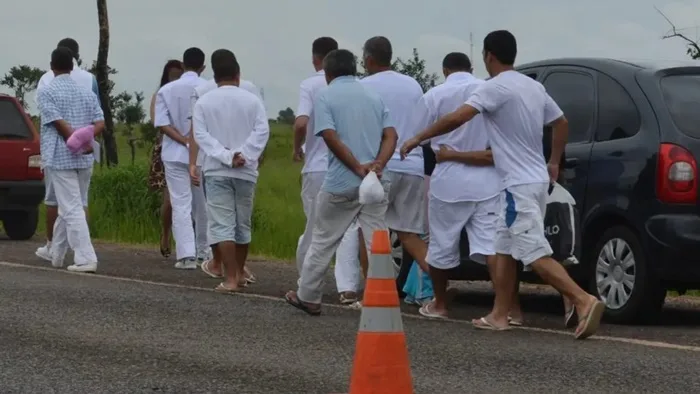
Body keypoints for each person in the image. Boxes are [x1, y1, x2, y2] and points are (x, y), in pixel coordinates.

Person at [400, 30, 604, 339]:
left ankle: (583, 300)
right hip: (532, 180)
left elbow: (458, 118)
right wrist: (553, 161)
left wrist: (419, 137)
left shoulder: (494, 88)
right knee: (503, 249)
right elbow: (560, 122)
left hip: (516, 186)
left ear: (488, 56)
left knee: (533, 252)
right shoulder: (533, 86)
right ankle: (499, 314)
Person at [285, 49, 398, 315]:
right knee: (377, 241)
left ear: (327, 73)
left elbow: (329, 136)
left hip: (341, 182)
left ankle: (309, 296)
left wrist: (357, 167)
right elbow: (391, 135)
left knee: (323, 240)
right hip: (377, 180)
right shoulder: (373, 96)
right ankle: (382, 299)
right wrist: (378, 164)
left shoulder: (326, 95)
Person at [408, 52, 501, 320]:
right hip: (486, 177)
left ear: (445, 70)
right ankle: (503, 308)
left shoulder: (434, 96)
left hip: (449, 178)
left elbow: (420, 136)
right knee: (490, 247)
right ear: (471, 68)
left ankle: (439, 303)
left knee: (442, 244)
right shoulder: (488, 90)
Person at [292, 36, 363, 305]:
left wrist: (296, 148)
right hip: (350, 165)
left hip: (318, 166)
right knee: (347, 229)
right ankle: (347, 288)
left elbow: (301, 123)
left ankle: (306, 283)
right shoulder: (358, 87)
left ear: (316, 58)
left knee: (315, 229)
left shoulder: (310, 84)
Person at [192, 49, 270, 293]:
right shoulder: (253, 100)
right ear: (238, 74)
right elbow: (262, 131)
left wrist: (226, 156)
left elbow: (200, 135)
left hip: (217, 169)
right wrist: (244, 155)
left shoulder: (204, 101)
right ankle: (240, 271)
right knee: (242, 224)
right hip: (245, 171)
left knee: (222, 224)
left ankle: (231, 278)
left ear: (215, 77)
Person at [359, 37, 429, 274]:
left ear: (368, 59)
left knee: (370, 230)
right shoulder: (413, 85)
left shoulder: (364, 85)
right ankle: (437, 286)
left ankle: (373, 289)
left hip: (380, 167)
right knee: (408, 233)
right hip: (413, 165)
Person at [36, 47, 103, 272]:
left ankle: (86, 257)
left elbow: (58, 123)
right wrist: (87, 138)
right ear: (73, 66)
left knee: (71, 207)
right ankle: (57, 253)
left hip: (60, 157)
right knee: (72, 205)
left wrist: (75, 138)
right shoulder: (86, 92)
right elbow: (100, 122)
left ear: (52, 66)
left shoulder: (47, 91)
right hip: (85, 159)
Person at [154, 47, 208, 270]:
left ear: (184, 65)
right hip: (203, 154)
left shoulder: (166, 90)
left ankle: (186, 255)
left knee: (180, 203)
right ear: (203, 67)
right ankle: (205, 252)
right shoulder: (208, 88)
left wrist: (184, 140)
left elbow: (162, 124)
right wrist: (193, 141)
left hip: (174, 154)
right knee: (203, 204)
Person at [148, 59, 183, 259]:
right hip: (167, 149)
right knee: (169, 200)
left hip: (190, 149)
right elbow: (156, 121)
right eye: (172, 76)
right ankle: (166, 234)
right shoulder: (160, 95)